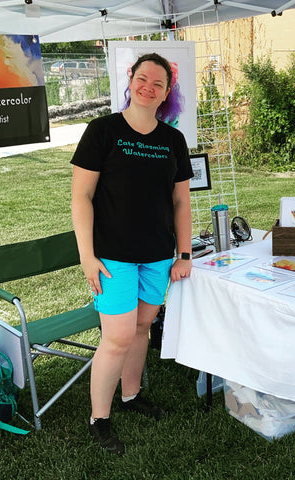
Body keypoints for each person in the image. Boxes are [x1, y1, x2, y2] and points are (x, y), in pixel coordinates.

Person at [70, 52, 194, 455]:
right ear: (131, 79)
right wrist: (87, 256)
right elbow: (81, 197)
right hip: (112, 257)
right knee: (118, 336)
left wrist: (185, 253)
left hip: (157, 255)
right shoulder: (103, 131)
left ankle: (131, 395)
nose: (149, 87)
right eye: (143, 79)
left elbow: (181, 203)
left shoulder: (173, 140)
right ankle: (99, 418)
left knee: (141, 329)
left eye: (158, 83)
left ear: (167, 92)